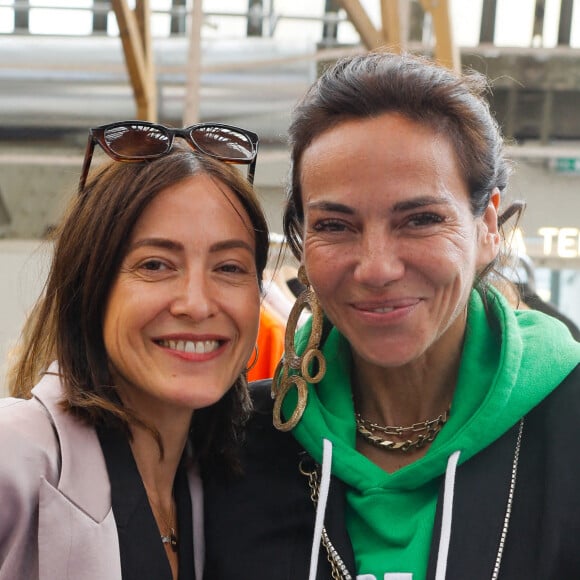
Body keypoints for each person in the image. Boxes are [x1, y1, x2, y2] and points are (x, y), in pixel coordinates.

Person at [203, 52, 580, 579]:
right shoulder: (241, 444)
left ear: (487, 226)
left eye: (420, 219)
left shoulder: (564, 429)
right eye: (335, 225)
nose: (376, 268)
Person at [0, 120, 269, 580]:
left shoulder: (228, 484)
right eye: (156, 264)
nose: (197, 303)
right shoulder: (15, 457)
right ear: (91, 286)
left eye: (229, 267)